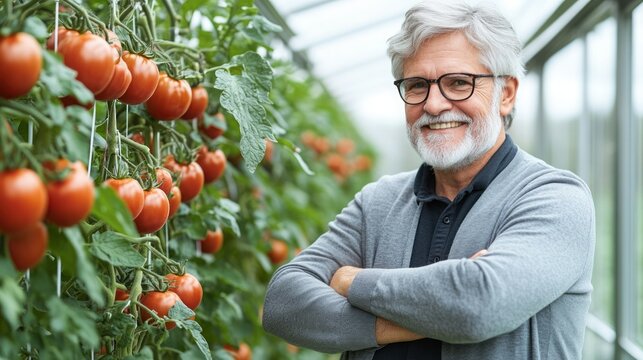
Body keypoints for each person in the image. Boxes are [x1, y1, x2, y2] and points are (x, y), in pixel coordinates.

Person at [262, 1, 596, 359]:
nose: (434, 105)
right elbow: (282, 305)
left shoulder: (555, 198)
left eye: (458, 83)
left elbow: (478, 306)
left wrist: (350, 280)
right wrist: (421, 316)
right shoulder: (378, 202)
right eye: (418, 85)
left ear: (507, 94)